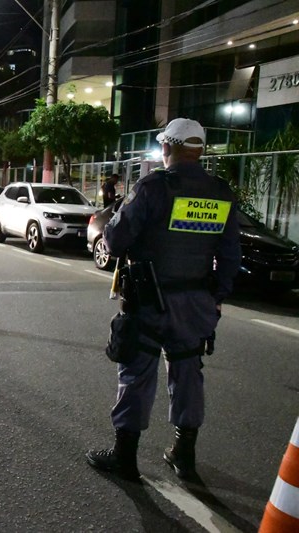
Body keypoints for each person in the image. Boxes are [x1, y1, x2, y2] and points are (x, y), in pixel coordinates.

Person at [86, 118, 241, 481]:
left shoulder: (153, 187)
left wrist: (111, 225)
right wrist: (216, 295)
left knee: (137, 372)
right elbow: (231, 254)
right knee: (188, 373)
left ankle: (125, 457)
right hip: (196, 301)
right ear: (199, 151)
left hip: (149, 299)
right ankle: (183, 455)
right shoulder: (220, 192)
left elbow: (117, 239)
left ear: (167, 148)